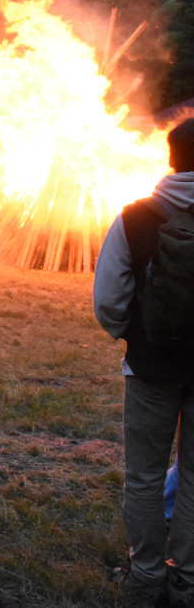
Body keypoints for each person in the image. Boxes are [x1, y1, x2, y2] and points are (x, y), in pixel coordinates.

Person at [94, 118, 194, 608]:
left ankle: (147, 576)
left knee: (145, 477)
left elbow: (109, 301)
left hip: (152, 368)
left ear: (170, 158)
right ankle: (188, 580)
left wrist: (132, 336)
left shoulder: (136, 216)